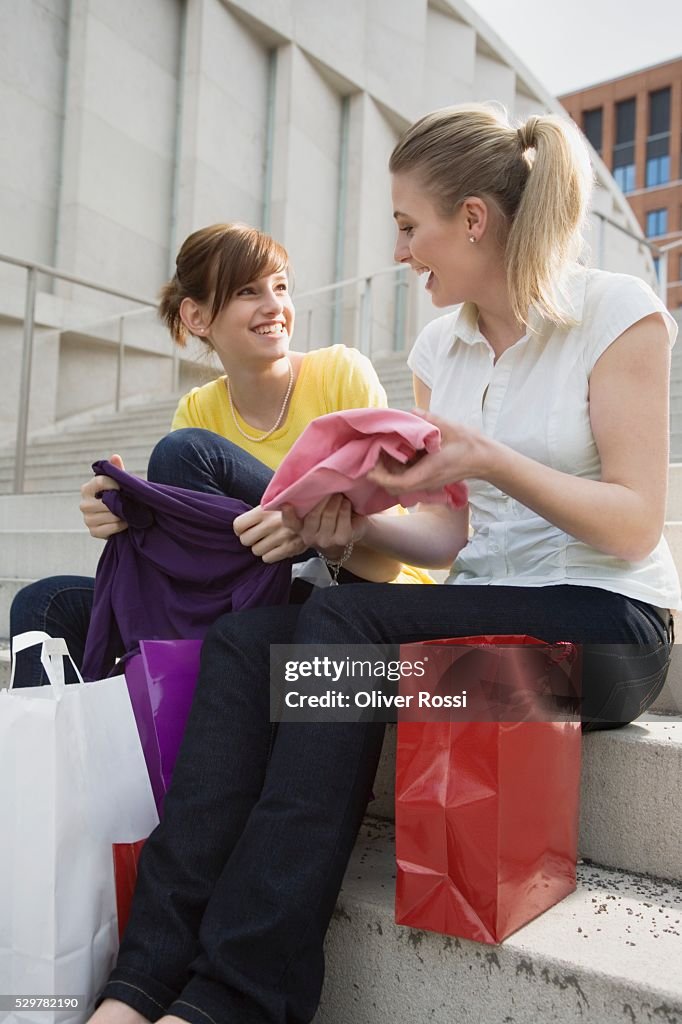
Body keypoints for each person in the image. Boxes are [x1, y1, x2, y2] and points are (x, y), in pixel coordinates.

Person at [91, 104, 678, 1024]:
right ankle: (141, 982)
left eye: (410, 226)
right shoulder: (439, 348)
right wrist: (344, 531)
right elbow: (448, 542)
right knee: (252, 643)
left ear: (474, 220)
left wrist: (489, 459)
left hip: (607, 639)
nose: (402, 251)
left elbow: (638, 526)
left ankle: (242, 994)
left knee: (344, 627)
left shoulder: (616, 313)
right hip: (476, 638)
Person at [9, 223, 429, 685]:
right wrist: (125, 510)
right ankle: (67, 756)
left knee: (185, 454)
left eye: (281, 286)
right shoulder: (198, 408)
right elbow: (188, 555)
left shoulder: (339, 373)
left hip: (351, 583)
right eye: (249, 291)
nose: (275, 306)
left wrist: (301, 517)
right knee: (43, 604)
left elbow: (388, 554)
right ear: (197, 317)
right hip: (243, 598)